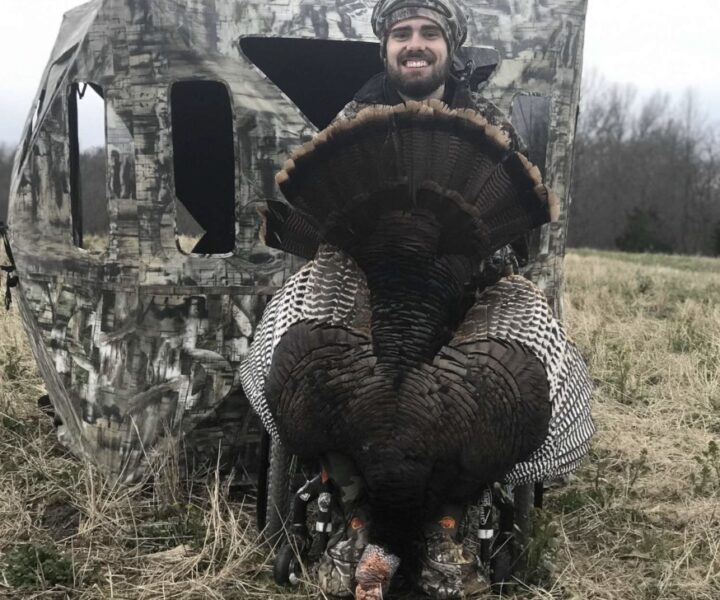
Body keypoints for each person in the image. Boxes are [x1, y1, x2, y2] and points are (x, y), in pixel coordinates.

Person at [315, 1, 526, 598]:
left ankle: (447, 525)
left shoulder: (488, 120)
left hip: (459, 304)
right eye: (401, 33)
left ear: (449, 47)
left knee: (497, 379)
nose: (415, 44)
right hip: (369, 300)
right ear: (384, 47)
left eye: (429, 33)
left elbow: (514, 239)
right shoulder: (352, 116)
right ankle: (357, 518)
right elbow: (326, 235)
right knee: (313, 363)